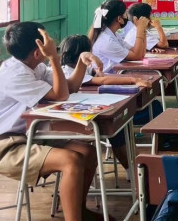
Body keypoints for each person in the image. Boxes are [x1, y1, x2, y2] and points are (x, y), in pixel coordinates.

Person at [0, 23, 110, 221]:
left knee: (87, 150)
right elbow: (60, 95)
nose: (53, 42)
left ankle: (78, 210)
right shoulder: (15, 74)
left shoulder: (35, 66)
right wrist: (54, 58)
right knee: (71, 160)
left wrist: (80, 62)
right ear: (38, 51)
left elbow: (68, 88)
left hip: (23, 137)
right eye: (48, 41)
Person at [59, 34, 162, 170]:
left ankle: (136, 168)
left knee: (121, 124)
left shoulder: (80, 68)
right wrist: (133, 80)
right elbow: (102, 80)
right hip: (77, 119)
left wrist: (97, 71)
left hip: (87, 111)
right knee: (117, 124)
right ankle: (134, 169)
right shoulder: (68, 72)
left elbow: (99, 76)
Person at [88, 0, 149, 72]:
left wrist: (143, 29)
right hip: (108, 77)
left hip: (116, 74)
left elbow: (141, 54)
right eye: (125, 14)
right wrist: (139, 29)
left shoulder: (114, 35)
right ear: (119, 18)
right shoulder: (107, 41)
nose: (127, 17)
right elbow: (137, 56)